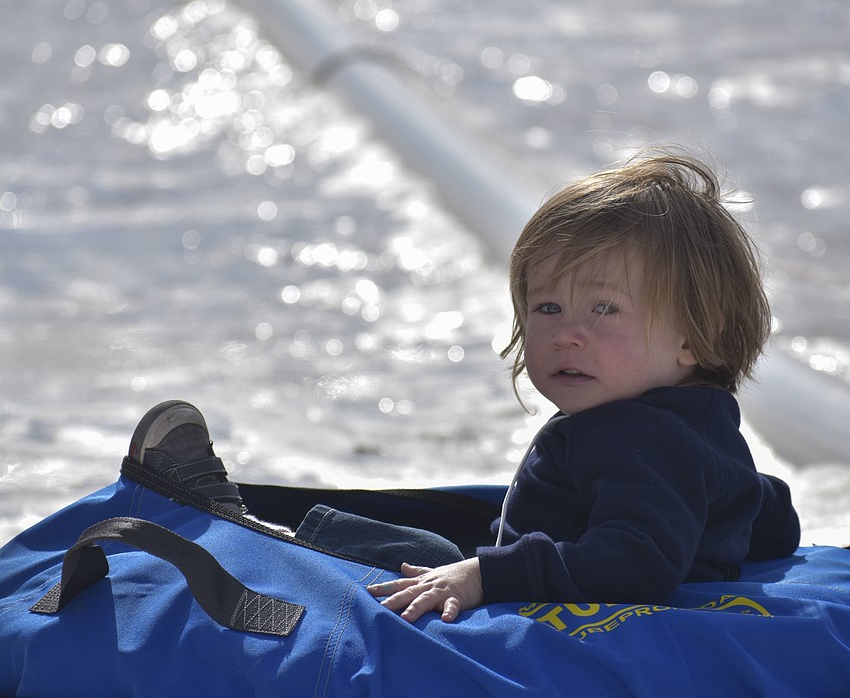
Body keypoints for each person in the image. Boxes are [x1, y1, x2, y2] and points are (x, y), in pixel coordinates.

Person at [125, 150, 800, 625]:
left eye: (604, 309)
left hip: (516, 604)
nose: (567, 334)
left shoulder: (639, 436)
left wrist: (487, 576)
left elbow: (637, 562)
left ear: (693, 337)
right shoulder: (697, 424)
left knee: (418, 560)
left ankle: (251, 532)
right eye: (546, 308)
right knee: (441, 536)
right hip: (533, 554)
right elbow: (769, 509)